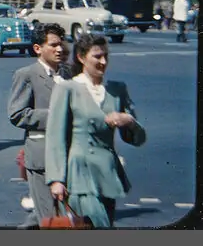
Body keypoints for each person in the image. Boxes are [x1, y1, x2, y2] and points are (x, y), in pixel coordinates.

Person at [46, 33, 147, 228]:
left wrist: (129, 121)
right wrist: (56, 179)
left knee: (104, 223)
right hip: (80, 173)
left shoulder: (117, 90)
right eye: (97, 56)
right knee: (99, 225)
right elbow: (55, 137)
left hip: (107, 173)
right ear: (81, 57)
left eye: (106, 56)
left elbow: (137, 139)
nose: (103, 62)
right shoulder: (67, 88)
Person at [8, 22, 69, 226]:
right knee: (49, 216)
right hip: (42, 156)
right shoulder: (27, 75)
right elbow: (17, 114)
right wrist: (54, 115)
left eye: (61, 44)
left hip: (70, 156)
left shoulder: (69, 74)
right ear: (38, 48)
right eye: (53, 45)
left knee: (61, 215)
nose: (59, 49)